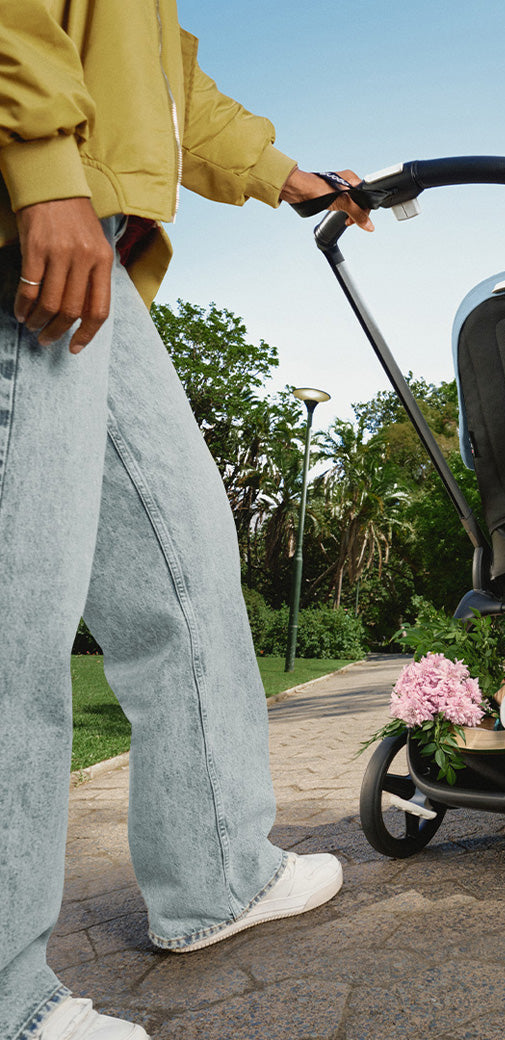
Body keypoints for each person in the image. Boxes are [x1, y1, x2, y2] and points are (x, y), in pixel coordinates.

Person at [0, 3, 372, 1038]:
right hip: (37, 206)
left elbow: (154, 72)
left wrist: (284, 172)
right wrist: (37, 164)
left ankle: (216, 873)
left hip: (101, 230)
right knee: (15, 610)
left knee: (185, 568)